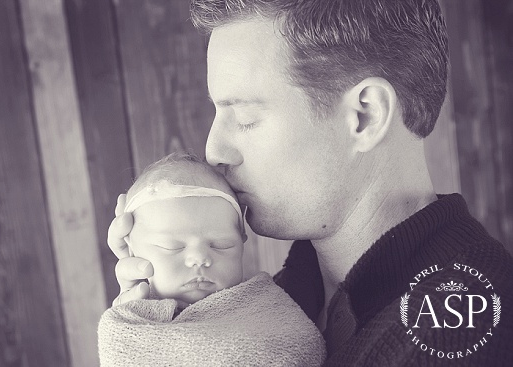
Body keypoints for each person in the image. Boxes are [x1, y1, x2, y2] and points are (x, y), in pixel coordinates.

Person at [108, 0, 513, 364]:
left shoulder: (467, 330)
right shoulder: (277, 304)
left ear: (364, 117)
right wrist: (170, 328)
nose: (214, 151)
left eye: (245, 116)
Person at [97, 153, 324, 366]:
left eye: (221, 245)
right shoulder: (133, 325)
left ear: (242, 242)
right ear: (132, 250)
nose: (200, 258)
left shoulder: (270, 311)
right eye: (172, 246)